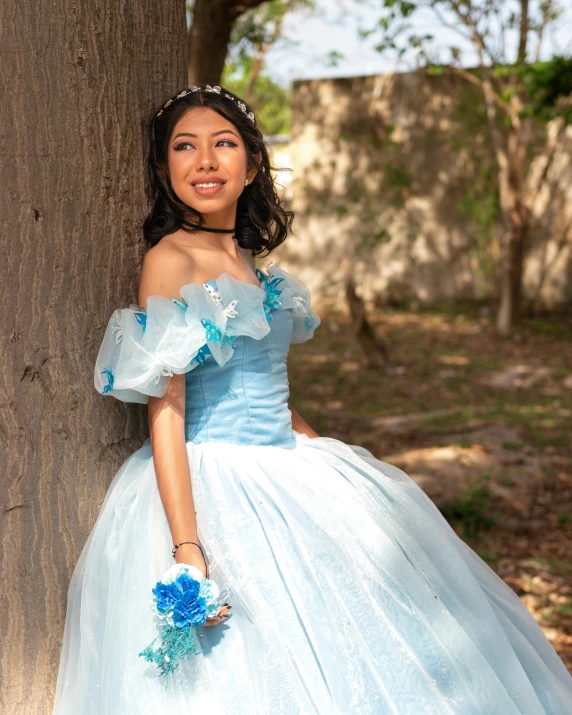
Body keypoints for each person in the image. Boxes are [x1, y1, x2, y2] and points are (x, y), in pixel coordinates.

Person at [52, 84, 572, 715]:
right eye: (185, 148)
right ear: (166, 170)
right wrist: (187, 546)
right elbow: (167, 408)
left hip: (286, 459)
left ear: (251, 165)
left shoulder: (244, 256)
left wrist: (331, 459)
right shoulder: (170, 258)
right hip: (214, 471)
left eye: (224, 145)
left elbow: (269, 386)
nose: (206, 161)